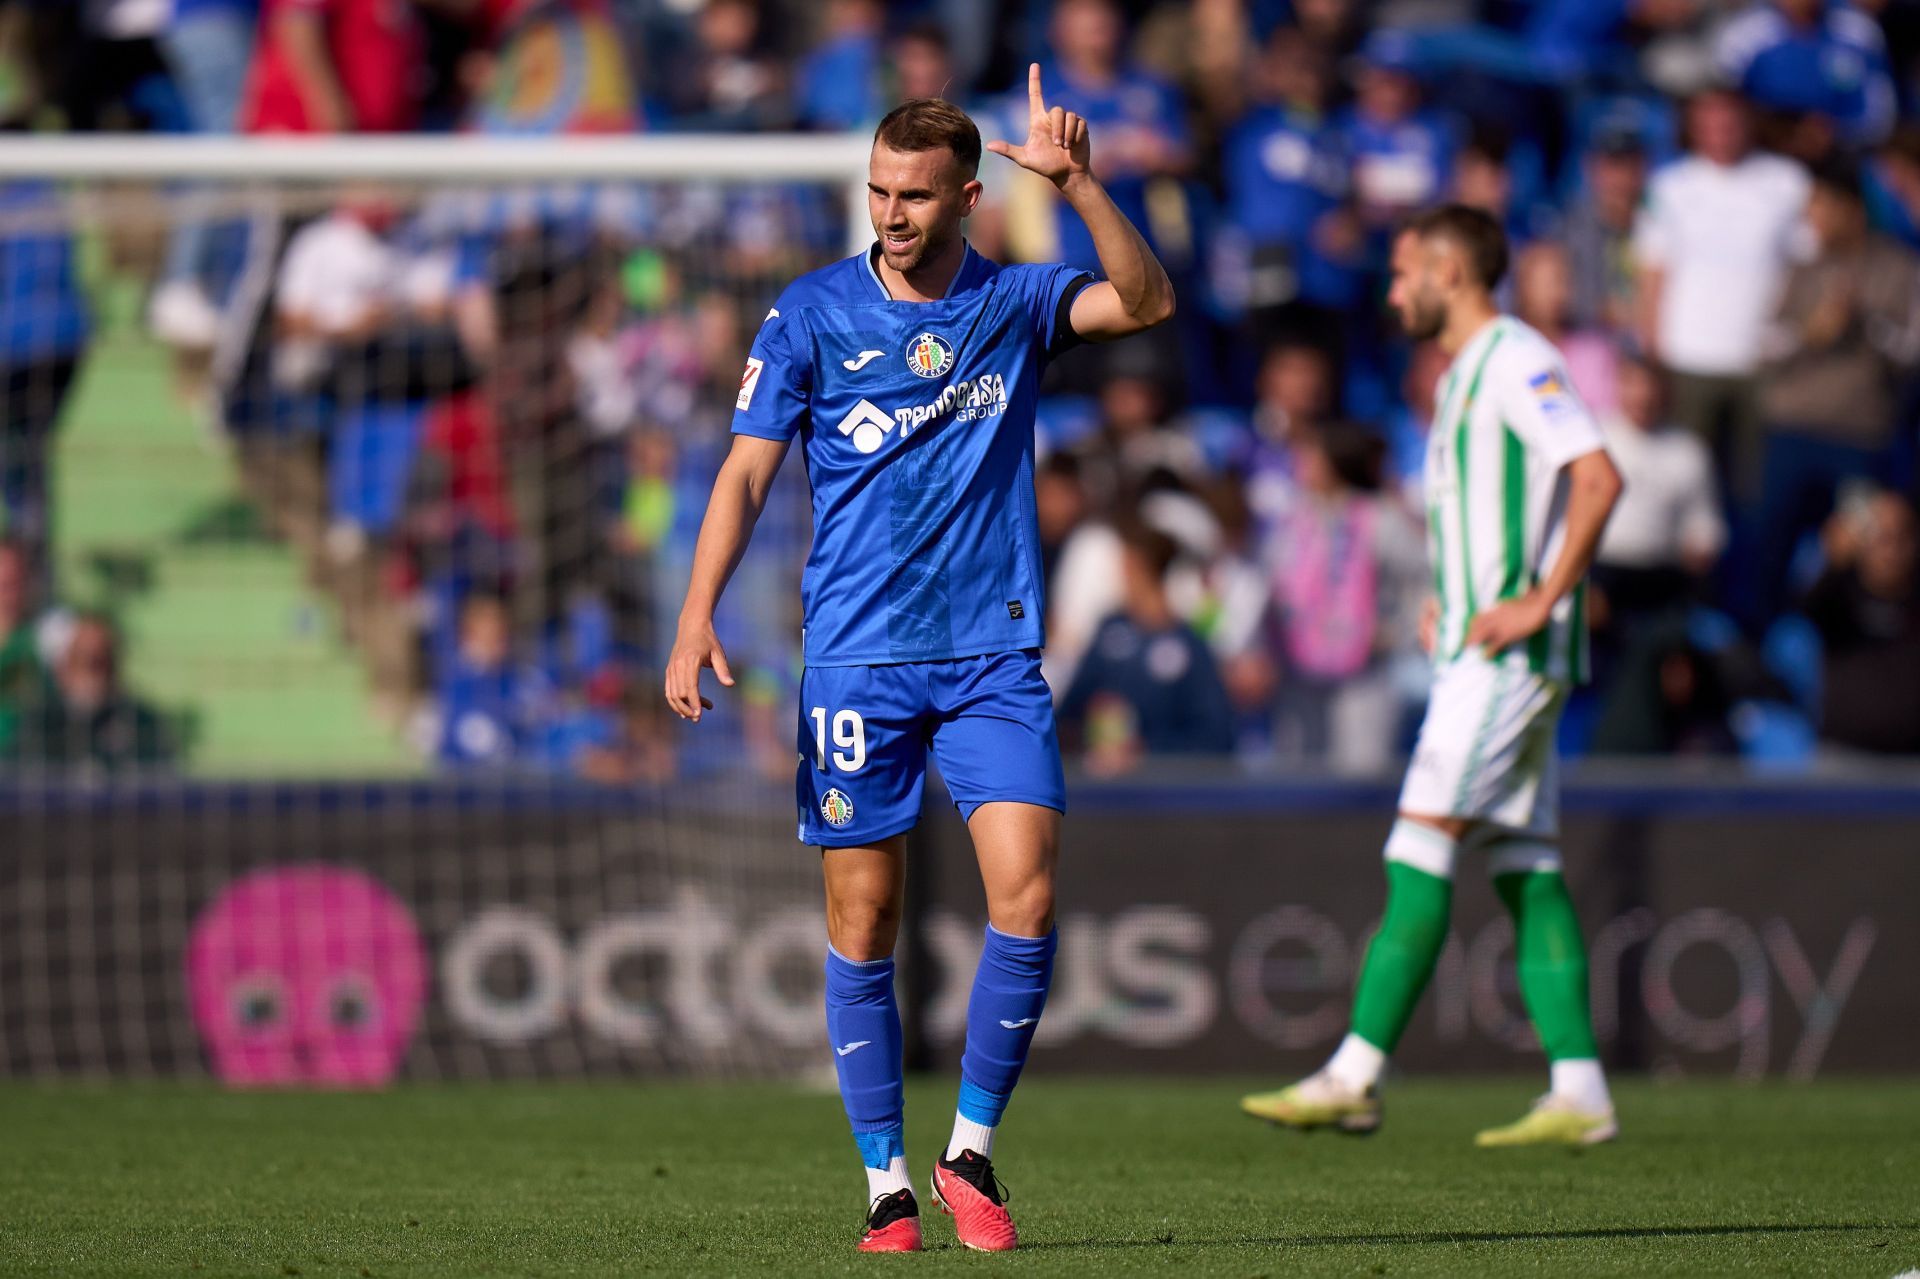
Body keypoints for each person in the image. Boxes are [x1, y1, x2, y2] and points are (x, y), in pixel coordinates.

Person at [664, 79, 1174, 1253]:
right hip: (854, 658)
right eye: (879, 192)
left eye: (915, 195)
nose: (891, 214)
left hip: (992, 651)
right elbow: (744, 474)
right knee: (864, 914)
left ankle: (970, 1152)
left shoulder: (1018, 300)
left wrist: (1085, 186)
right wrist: (697, 615)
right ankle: (885, 1179)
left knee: (1030, 893)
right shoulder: (807, 315)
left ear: (966, 197)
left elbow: (1146, 302)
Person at [1240, 205, 1626, 1147]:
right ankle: (1580, 1091)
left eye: (1406, 272)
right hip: (1479, 648)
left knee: (1417, 847)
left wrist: (1538, 599)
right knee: (1525, 867)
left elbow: (1598, 474)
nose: (1393, 289)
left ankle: (1356, 1073)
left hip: (1503, 659)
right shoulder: (1459, 378)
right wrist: (1448, 598)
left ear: (1451, 272)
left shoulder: (1513, 357)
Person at [1057, 522, 1235, 773]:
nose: (1117, 577)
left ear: (1139, 567)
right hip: (1104, 794)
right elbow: (1069, 715)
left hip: (1165, 796)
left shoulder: (1190, 645)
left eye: (1124, 567)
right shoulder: (1110, 632)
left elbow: (1216, 737)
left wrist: (1146, 751)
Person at [1803, 489, 1920, 754]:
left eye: (1901, 536)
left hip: (1911, 767)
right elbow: (1803, 607)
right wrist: (1835, 562)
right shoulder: (1838, 597)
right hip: (1844, 763)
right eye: (1881, 537)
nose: (1890, 549)